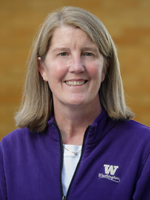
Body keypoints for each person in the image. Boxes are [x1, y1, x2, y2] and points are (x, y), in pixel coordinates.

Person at [0, 6, 150, 200]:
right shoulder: (10, 151)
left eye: (88, 54)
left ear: (105, 68)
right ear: (42, 68)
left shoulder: (143, 149)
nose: (77, 67)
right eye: (63, 54)